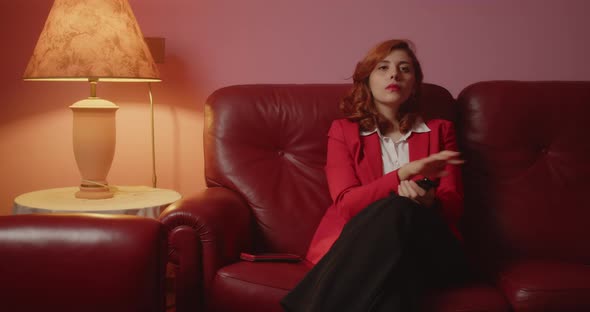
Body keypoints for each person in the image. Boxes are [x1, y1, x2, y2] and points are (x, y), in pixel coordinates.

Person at [281, 39, 468, 311]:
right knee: (394, 285)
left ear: (415, 83)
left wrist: (430, 202)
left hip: (434, 248)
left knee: (399, 208)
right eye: (383, 68)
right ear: (366, 80)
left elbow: (454, 205)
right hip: (374, 252)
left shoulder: (440, 131)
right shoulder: (343, 132)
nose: (395, 74)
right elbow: (347, 206)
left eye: (405, 69)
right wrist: (403, 173)